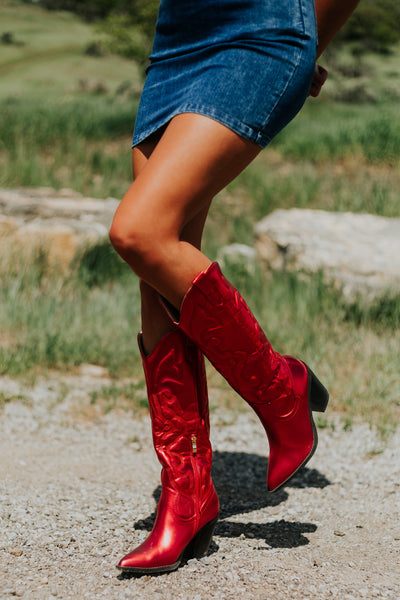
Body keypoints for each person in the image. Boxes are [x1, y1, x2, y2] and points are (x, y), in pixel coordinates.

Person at [110, 0, 360, 575]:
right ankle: (187, 495)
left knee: (140, 233)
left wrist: (310, 42)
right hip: (178, 39)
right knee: (157, 281)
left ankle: (281, 387)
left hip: (262, 34)